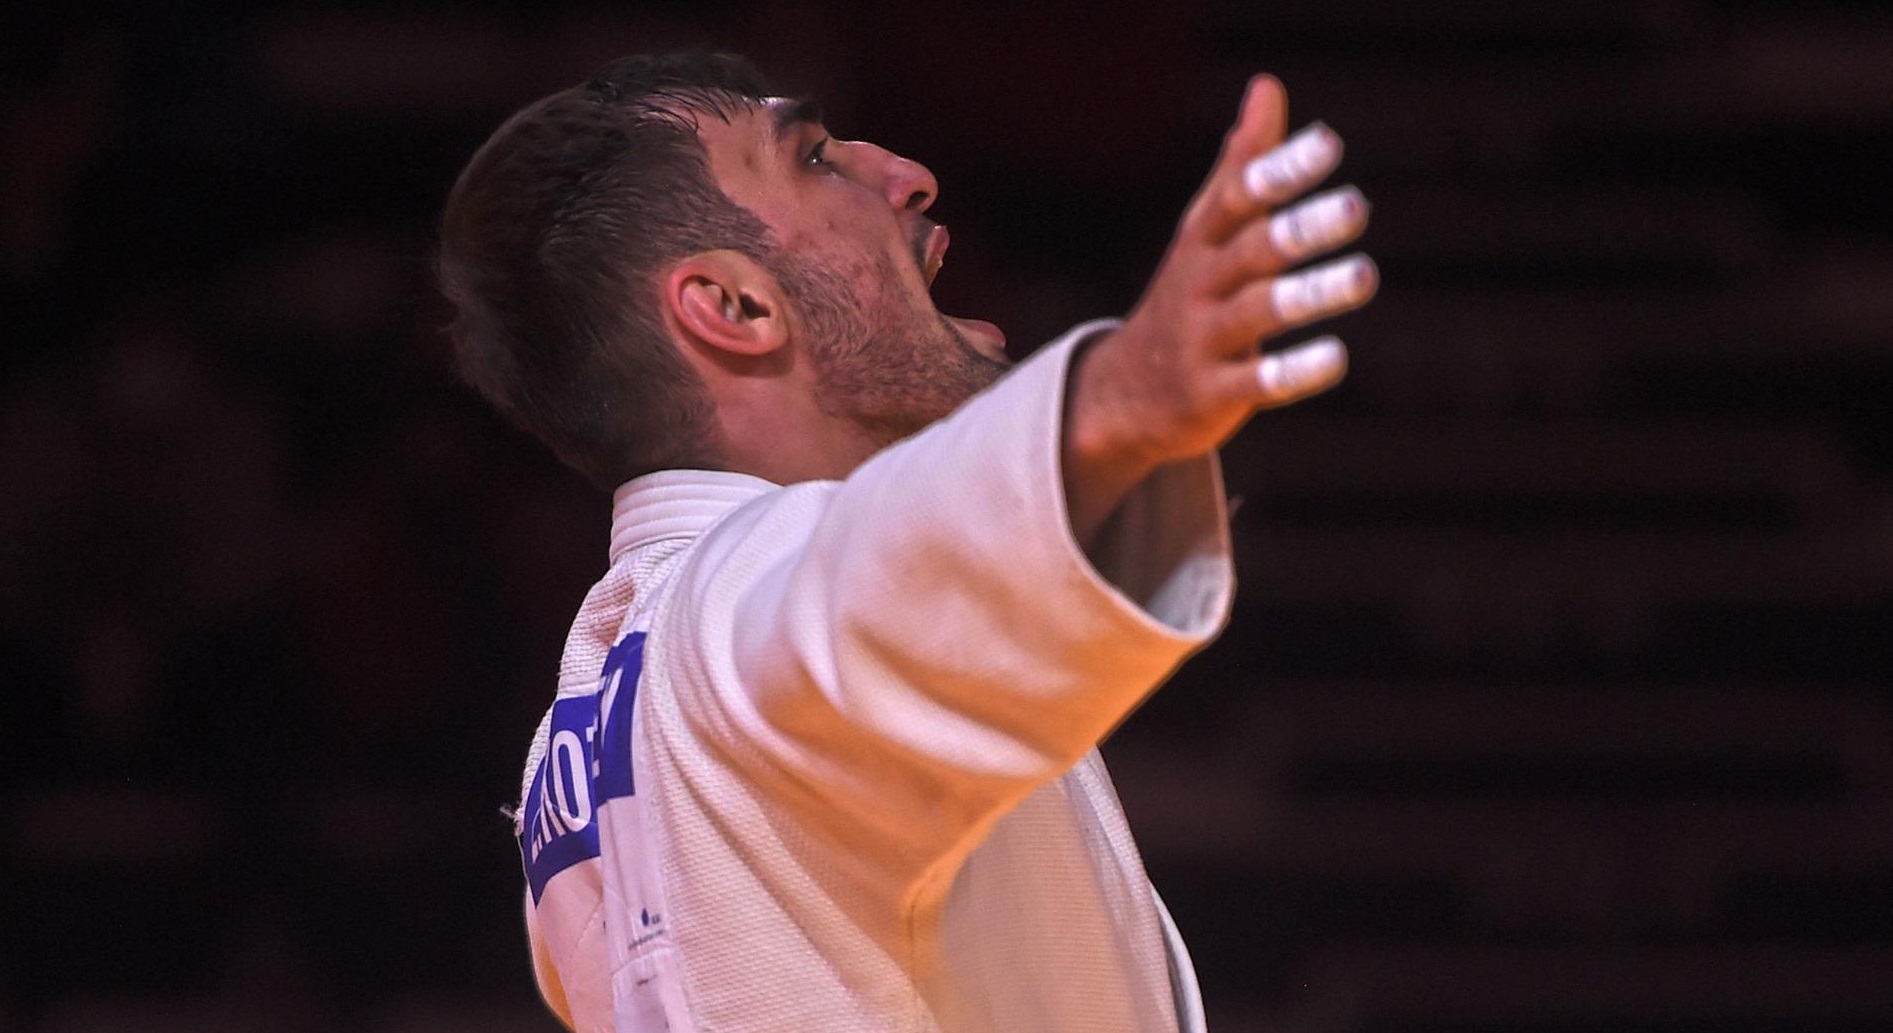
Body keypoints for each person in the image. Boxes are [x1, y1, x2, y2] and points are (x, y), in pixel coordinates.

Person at [438, 51, 1374, 1033]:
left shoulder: (580, 745)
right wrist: (1124, 396)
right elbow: (859, 587)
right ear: (734, 307)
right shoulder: (735, 613)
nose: (905, 173)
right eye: (814, 159)